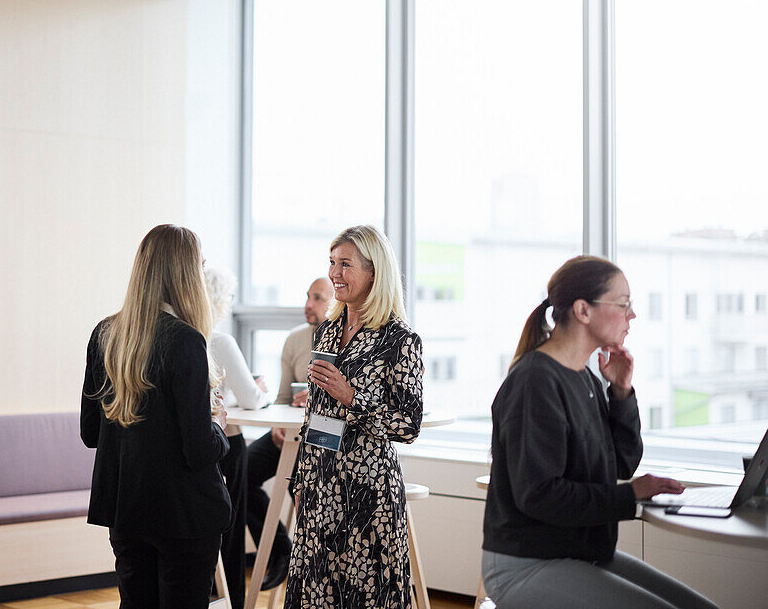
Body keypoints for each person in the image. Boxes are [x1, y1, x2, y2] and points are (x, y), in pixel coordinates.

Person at [482, 255, 718, 609]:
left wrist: (621, 392)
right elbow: (539, 494)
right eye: (623, 304)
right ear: (583, 310)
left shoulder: (585, 377)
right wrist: (631, 495)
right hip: (526, 564)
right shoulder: (535, 382)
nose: (632, 315)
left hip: (578, 553)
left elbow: (621, 466)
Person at [82, 224, 232, 609]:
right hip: (183, 512)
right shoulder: (185, 340)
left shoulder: (105, 334)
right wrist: (218, 427)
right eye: (199, 266)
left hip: (126, 507)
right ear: (185, 274)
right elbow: (199, 448)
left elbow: (90, 433)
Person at [286, 225, 424, 609]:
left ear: (374, 272)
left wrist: (352, 398)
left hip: (368, 494)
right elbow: (315, 412)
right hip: (318, 487)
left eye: (345, 264)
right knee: (315, 593)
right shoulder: (326, 332)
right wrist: (299, 479)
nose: (334, 273)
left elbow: (408, 425)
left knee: (364, 596)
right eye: (332, 262)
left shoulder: (399, 339)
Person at [244, 276, 332, 589]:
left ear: (336, 302)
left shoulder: (348, 341)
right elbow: (281, 399)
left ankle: (312, 573)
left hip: (323, 438)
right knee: (239, 472)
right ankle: (282, 551)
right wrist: (277, 425)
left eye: (318, 298)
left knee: (304, 488)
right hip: (291, 433)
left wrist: (321, 397)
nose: (309, 305)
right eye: (308, 296)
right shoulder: (295, 339)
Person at [204, 265, 270, 609]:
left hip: (196, 450)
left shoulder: (182, 336)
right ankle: (235, 602)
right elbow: (251, 399)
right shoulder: (220, 341)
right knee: (229, 532)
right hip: (227, 444)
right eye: (228, 296)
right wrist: (261, 390)